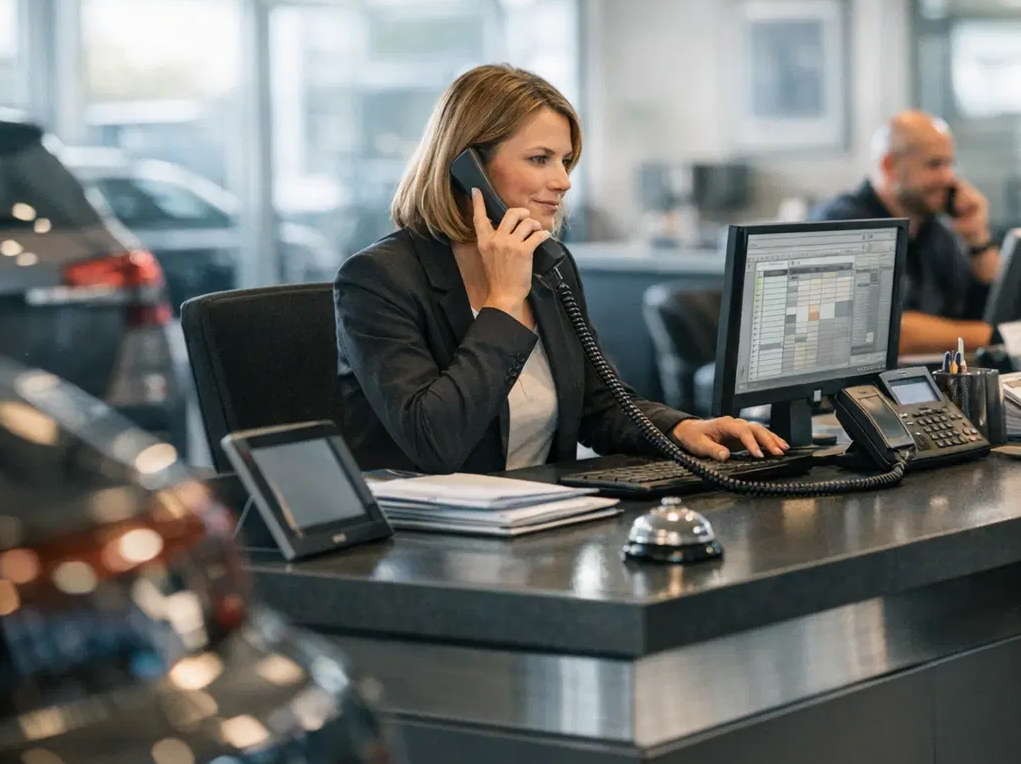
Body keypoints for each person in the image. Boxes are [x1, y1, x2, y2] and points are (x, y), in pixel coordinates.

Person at [335, 64, 786, 475]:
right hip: (427, 543)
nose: (563, 181)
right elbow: (436, 441)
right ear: (467, 168)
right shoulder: (379, 280)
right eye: (540, 159)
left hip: (541, 524)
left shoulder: (549, 265)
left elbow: (597, 403)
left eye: (565, 161)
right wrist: (504, 303)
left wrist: (679, 428)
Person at [810, 111, 1000, 355]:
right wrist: (995, 335)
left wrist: (977, 238)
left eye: (949, 164)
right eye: (935, 164)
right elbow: (884, 329)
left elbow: (980, 313)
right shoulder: (843, 225)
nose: (948, 177)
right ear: (889, 166)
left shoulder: (934, 231)